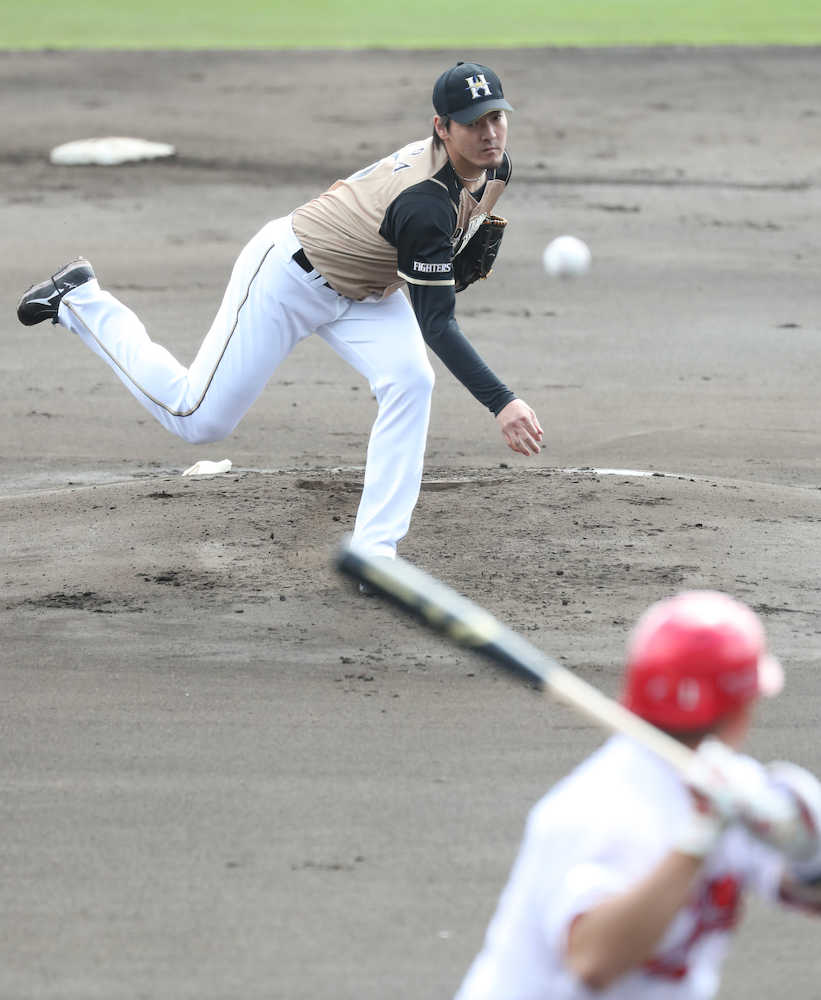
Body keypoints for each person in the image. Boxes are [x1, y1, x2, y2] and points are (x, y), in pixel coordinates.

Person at [16, 60, 543, 586]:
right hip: (288, 277)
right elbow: (437, 323)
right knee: (197, 419)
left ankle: (375, 556)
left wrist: (442, 264)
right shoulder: (423, 202)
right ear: (441, 127)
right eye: (473, 122)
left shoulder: (496, 166)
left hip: (368, 289)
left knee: (410, 380)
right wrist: (502, 402)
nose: (489, 132)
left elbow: (446, 249)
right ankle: (79, 301)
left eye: (496, 117)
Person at [454, 591, 821, 999]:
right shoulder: (599, 808)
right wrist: (697, 842)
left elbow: (808, 895)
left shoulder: (733, 789)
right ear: (740, 709)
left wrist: (807, 849)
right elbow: (593, 960)